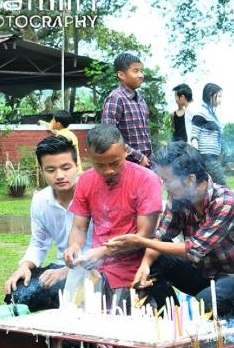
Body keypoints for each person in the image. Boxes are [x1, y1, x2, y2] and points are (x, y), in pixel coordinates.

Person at [106, 142, 234, 322]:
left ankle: (200, 318)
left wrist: (140, 241)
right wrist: (145, 265)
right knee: (155, 259)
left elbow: (194, 250)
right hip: (201, 274)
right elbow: (161, 236)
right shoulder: (179, 197)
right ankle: (171, 321)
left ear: (190, 179)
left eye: (167, 180)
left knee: (203, 304)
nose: (164, 186)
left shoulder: (225, 201)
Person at [64, 124, 162, 306]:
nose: (108, 170)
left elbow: (144, 236)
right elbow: (79, 226)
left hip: (134, 272)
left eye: (115, 163)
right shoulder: (85, 180)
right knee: (82, 320)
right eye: (100, 165)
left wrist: (103, 252)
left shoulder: (147, 180)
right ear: (88, 155)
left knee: (124, 320)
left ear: (125, 150)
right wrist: (74, 247)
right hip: (96, 272)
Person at [3, 135, 91, 311]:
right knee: (17, 293)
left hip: (94, 267)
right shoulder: (40, 200)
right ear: (42, 171)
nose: (59, 175)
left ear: (76, 166)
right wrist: (24, 267)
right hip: (60, 264)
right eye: (50, 170)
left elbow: (103, 245)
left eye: (66, 167)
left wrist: (67, 272)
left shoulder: (92, 192)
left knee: (70, 293)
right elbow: (39, 243)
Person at [101, 52, 151, 167]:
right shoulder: (116, 98)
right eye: (135, 71)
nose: (141, 75)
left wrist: (147, 159)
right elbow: (109, 137)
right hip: (127, 165)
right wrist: (138, 157)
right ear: (121, 75)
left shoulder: (141, 100)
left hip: (145, 164)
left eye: (141, 71)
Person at [191, 83, 226, 185]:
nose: (220, 100)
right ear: (210, 95)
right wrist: (197, 157)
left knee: (210, 187)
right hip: (206, 159)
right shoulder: (201, 113)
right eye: (219, 96)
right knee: (222, 186)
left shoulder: (212, 115)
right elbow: (194, 136)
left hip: (212, 158)